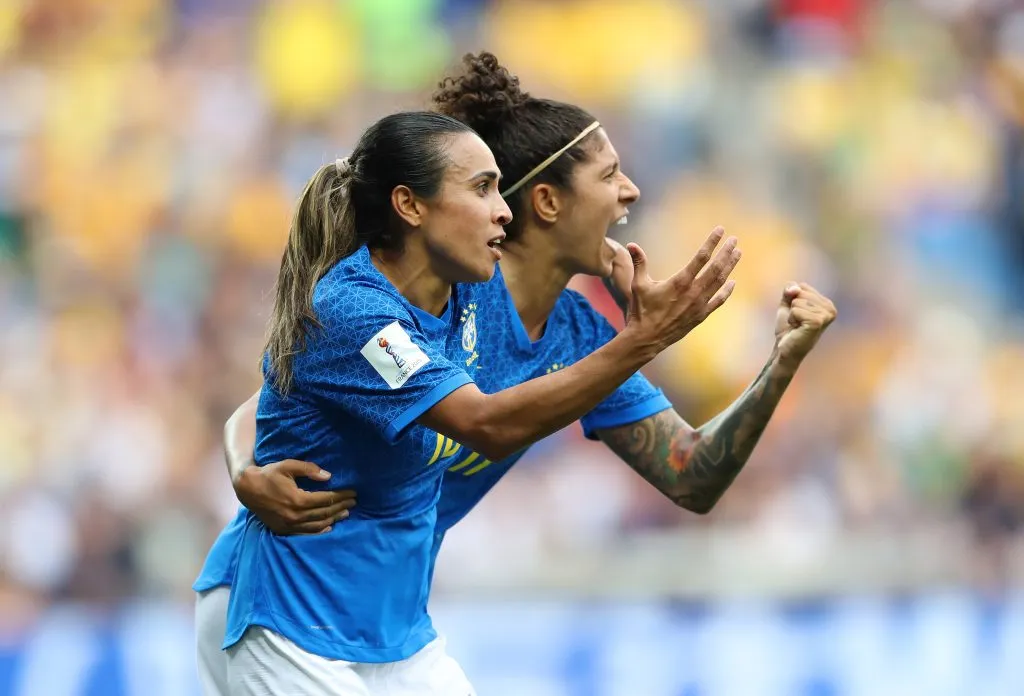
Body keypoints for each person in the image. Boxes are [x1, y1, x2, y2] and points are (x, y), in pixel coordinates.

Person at [210, 108, 742, 696]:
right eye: (482, 188)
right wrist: (644, 338)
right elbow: (484, 425)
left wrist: (776, 358)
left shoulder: (468, 296)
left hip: (395, 634)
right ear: (410, 206)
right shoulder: (355, 311)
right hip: (290, 620)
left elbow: (691, 473)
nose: (504, 210)